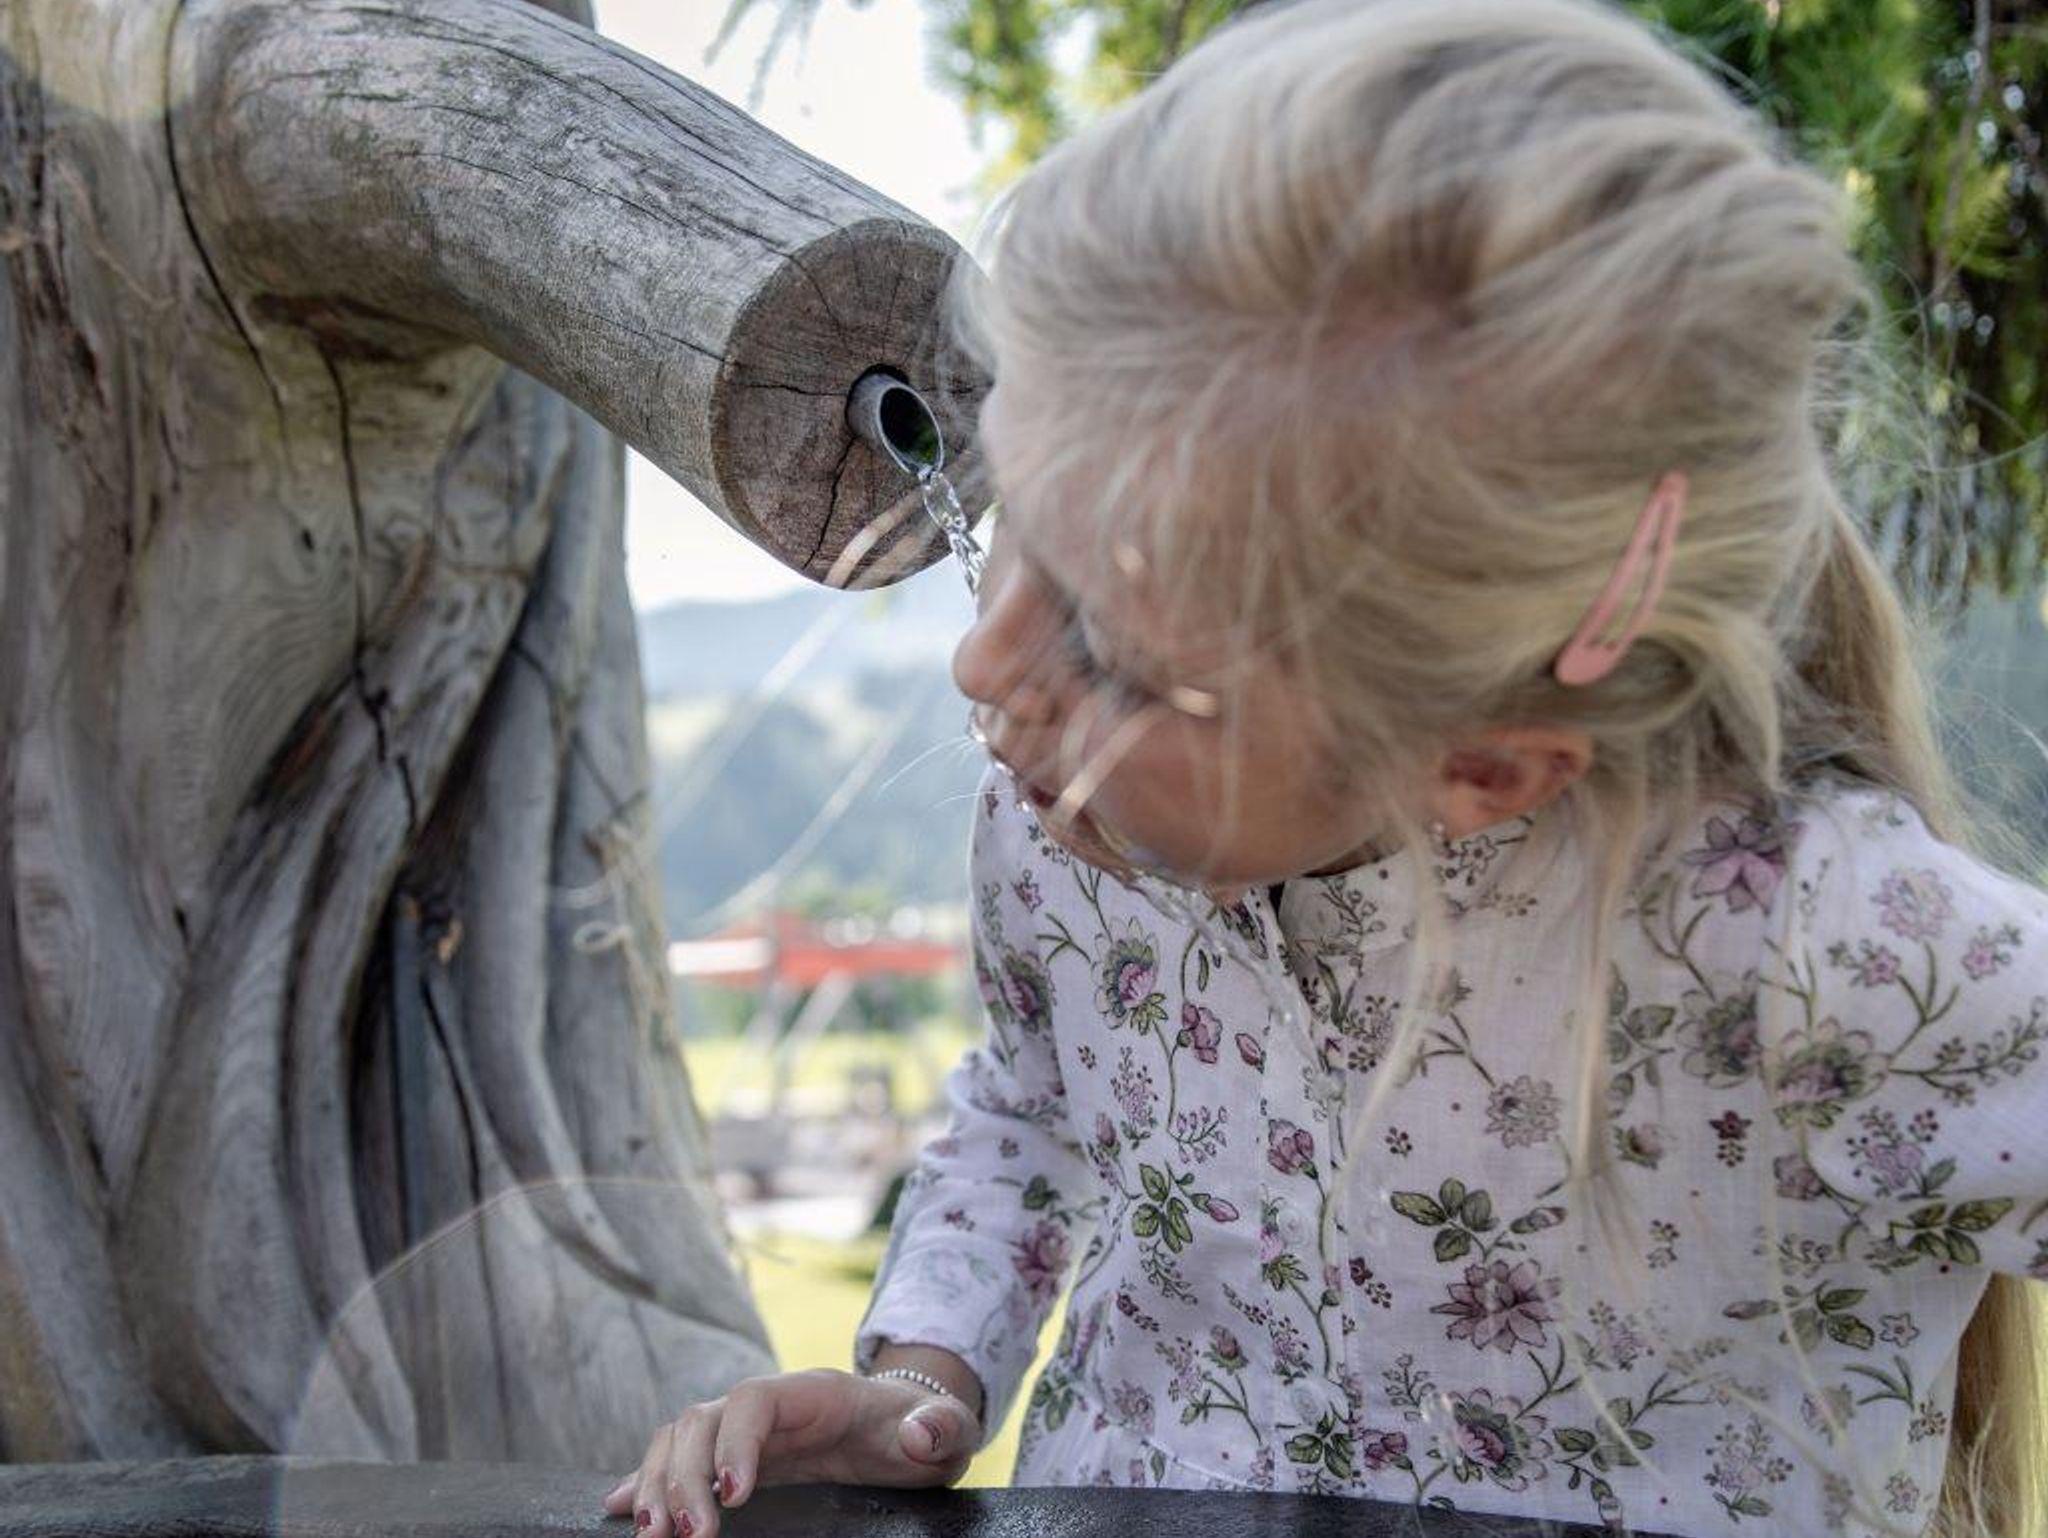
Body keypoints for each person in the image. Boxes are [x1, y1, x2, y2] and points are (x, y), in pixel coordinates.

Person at [603, 0, 2048, 1532]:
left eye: (1112, 646)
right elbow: (1035, 1101)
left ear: (1481, 766)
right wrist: (921, 1379)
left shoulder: (1815, 949)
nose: (985, 663)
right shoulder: (1067, 816)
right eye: (1014, 506)